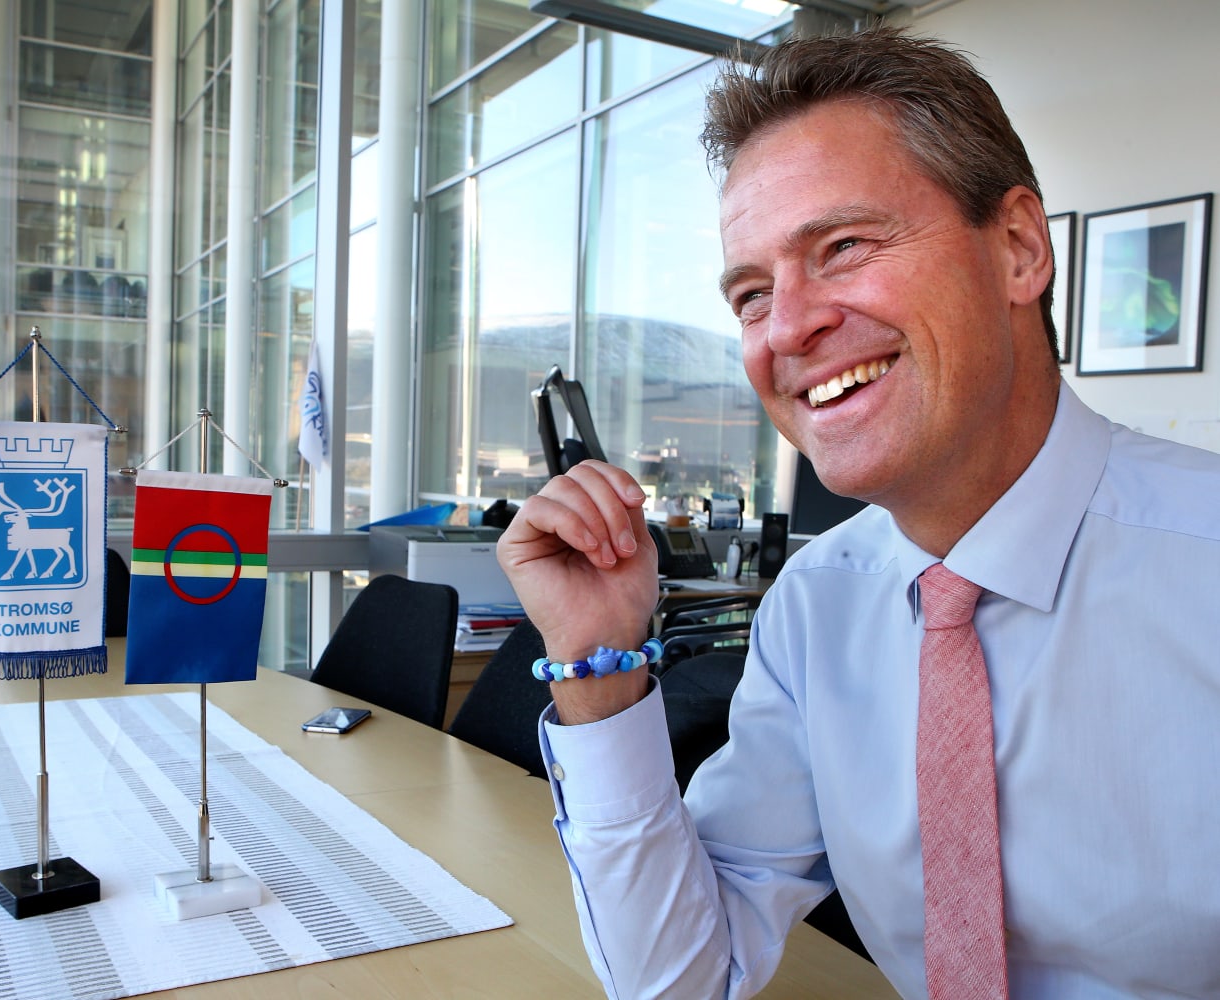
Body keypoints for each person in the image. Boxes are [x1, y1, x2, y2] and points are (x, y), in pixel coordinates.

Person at [495, 26, 1220, 1000]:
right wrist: (597, 668)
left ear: (1016, 249)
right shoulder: (818, 603)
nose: (788, 327)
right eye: (751, 294)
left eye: (841, 247)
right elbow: (680, 978)